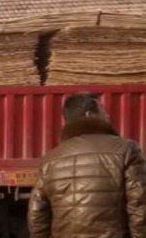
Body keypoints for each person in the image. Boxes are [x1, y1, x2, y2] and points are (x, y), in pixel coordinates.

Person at [28, 92, 146, 238]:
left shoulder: (50, 160)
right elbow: (139, 207)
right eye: (103, 111)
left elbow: (37, 215)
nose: (108, 116)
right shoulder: (126, 150)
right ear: (90, 115)